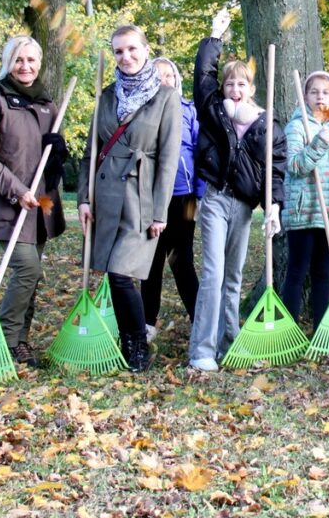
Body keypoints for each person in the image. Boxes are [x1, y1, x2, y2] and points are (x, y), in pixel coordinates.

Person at [78, 25, 182, 373]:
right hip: (106, 195)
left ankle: (137, 345)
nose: (126, 57)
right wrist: (83, 199)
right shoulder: (107, 96)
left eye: (132, 49)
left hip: (141, 198)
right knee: (112, 274)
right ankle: (128, 341)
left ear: (146, 49)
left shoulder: (165, 98)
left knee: (121, 273)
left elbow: (168, 159)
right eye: (119, 51)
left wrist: (160, 211)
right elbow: (90, 152)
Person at [189, 20, 286, 371]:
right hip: (215, 199)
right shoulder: (214, 111)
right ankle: (202, 350)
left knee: (233, 276)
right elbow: (203, 76)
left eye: (241, 83)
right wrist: (214, 38)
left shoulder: (266, 123)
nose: (234, 88)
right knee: (213, 273)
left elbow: (275, 168)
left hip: (244, 207)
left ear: (251, 88)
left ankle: (228, 343)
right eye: (229, 82)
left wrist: (274, 206)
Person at [0, 36, 67, 368]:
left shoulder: (46, 104)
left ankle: (20, 341)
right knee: (28, 268)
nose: (25, 66)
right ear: (8, 63)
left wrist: (59, 151)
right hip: (7, 202)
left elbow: (48, 158)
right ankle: (7, 340)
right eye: (18, 60)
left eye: (31, 60)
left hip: (38, 206)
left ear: (39, 63)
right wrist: (16, 190)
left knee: (32, 275)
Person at [140, 57, 202, 344]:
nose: (164, 80)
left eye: (169, 76)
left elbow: (200, 152)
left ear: (177, 80)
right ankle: (146, 323)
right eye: (158, 76)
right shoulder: (142, 110)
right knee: (151, 261)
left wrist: (200, 195)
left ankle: (199, 319)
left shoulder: (189, 110)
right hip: (151, 196)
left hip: (184, 197)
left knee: (182, 259)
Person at [282, 70, 329, 328]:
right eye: (314, 91)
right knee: (297, 271)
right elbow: (295, 165)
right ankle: (289, 331)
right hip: (303, 211)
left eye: (326, 92)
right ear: (304, 96)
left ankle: (321, 330)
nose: (320, 96)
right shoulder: (296, 126)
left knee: (323, 273)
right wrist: (318, 143)